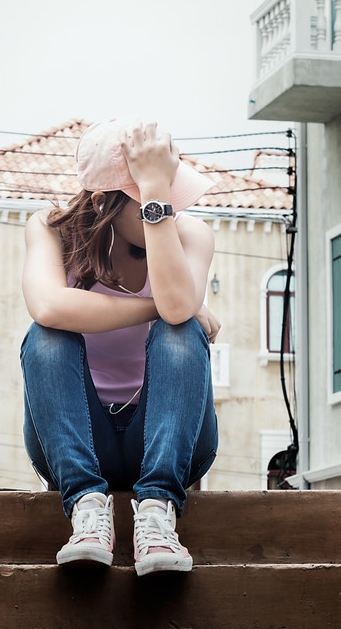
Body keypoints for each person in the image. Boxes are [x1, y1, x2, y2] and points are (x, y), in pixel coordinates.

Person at [20, 117, 220, 576]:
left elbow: (176, 316)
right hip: (77, 443)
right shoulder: (50, 230)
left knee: (182, 330)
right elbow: (48, 306)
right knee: (45, 335)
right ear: (102, 202)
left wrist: (152, 191)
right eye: (152, 199)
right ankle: (88, 511)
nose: (167, 207)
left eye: (167, 194)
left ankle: (157, 513)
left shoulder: (191, 233)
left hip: (170, 441)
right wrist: (166, 305)